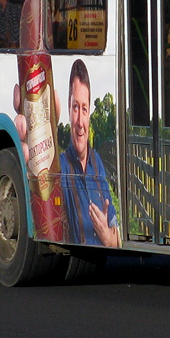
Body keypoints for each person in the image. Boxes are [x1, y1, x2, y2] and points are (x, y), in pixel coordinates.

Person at [60, 59, 120, 247]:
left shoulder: (98, 163)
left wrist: (107, 236)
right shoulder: (59, 166)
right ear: (69, 111)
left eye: (84, 109)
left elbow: (117, 237)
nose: (79, 121)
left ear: (89, 114)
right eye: (75, 107)